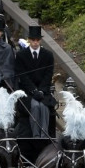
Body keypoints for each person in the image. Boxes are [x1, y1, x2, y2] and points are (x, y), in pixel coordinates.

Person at [13, 25, 56, 160]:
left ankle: (44, 136)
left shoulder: (48, 56)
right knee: (35, 106)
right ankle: (36, 135)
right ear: (29, 40)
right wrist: (34, 91)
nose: (35, 43)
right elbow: (23, 77)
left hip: (43, 91)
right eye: (33, 40)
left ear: (40, 41)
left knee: (43, 106)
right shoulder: (21, 56)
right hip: (27, 92)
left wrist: (42, 91)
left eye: (37, 40)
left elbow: (48, 76)